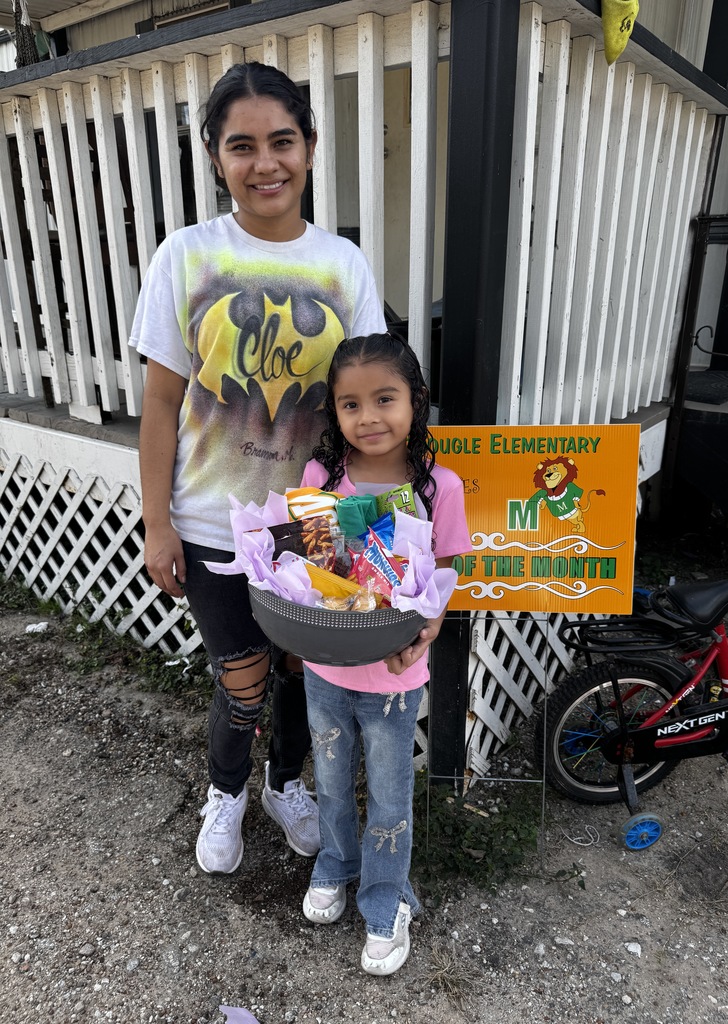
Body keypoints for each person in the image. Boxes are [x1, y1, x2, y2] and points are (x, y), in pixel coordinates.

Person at [129, 62, 386, 875]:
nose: (265, 163)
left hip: (313, 518)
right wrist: (157, 523)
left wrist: (375, 514)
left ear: (309, 146)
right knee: (241, 679)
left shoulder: (343, 264)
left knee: (303, 671)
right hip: (212, 518)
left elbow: (370, 399)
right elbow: (160, 404)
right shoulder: (187, 256)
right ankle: (227, 792)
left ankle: (285, 784)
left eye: (282, 141)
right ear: (216, 156)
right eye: (242, 146)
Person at [298, 334, 472, 975]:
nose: (368, 417)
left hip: (396, 677)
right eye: (351, 404)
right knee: (331, 781)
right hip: (324, 667)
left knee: (391, 797)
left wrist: (427, 630)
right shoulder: (319, 480)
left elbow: (446, 573)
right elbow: (307, 572)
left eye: (385, 399)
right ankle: (335, 862)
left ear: (416, 401)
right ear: (334, 412)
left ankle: (384, 898)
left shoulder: (438, 488)